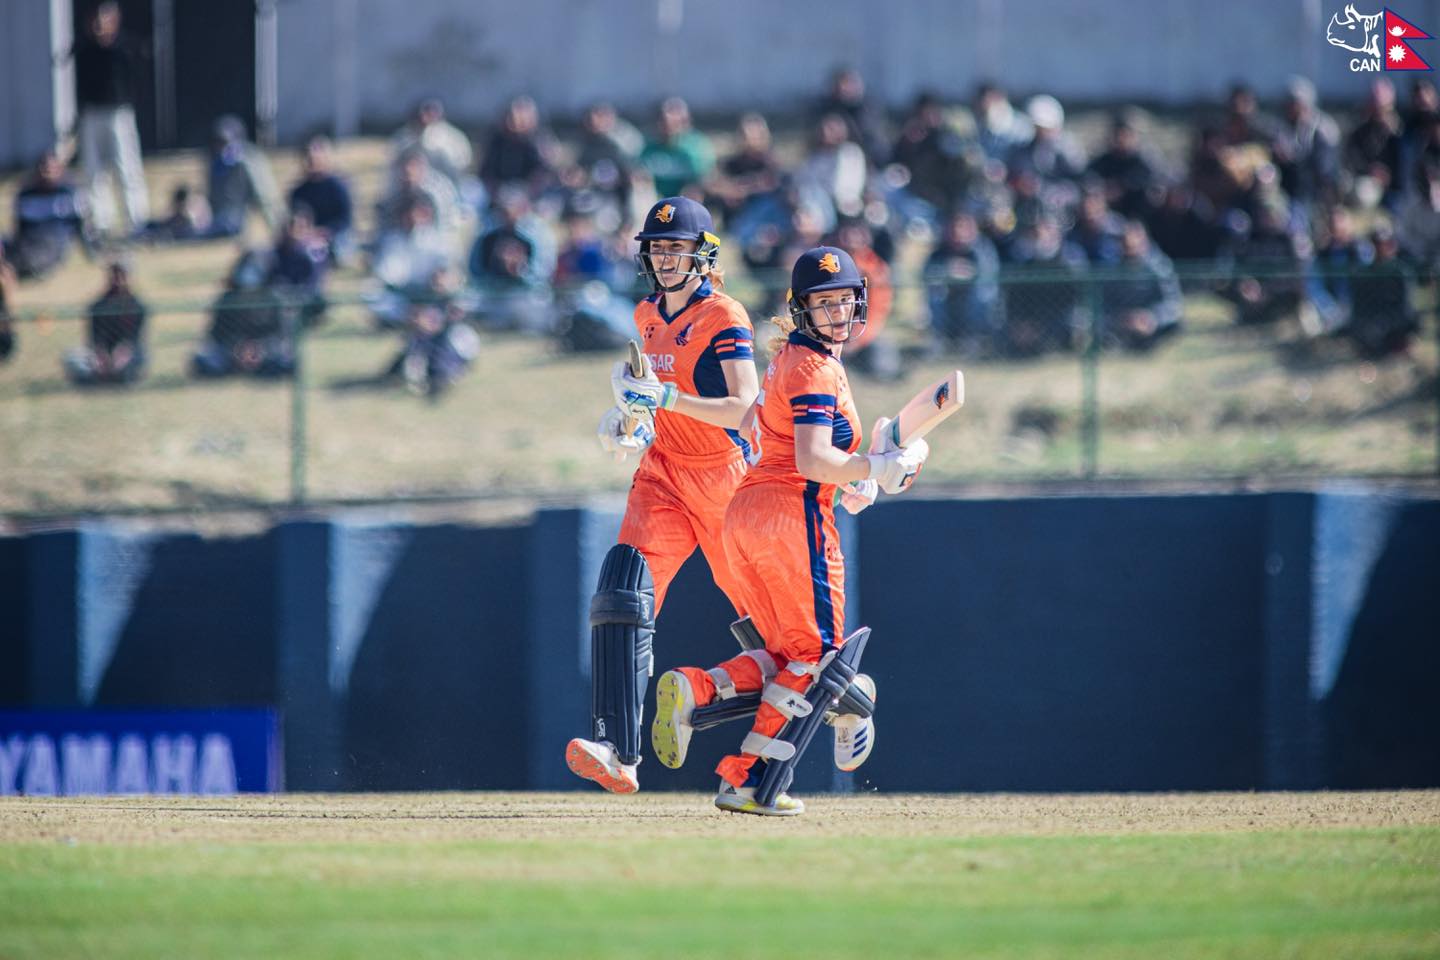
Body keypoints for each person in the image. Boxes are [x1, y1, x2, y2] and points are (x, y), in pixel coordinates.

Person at [649, 246, 930, 816]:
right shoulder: (815, 367)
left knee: (782, 656)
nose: (834, 313)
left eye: (842, 302)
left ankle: (699, 689)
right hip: (789, 516)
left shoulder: (790, 360)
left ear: (860, 304)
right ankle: (749, 780)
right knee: (819, 657)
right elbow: (809, 459)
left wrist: (855, 480)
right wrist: (876, 468)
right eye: (822, 303)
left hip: (748, 511)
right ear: (801, 309)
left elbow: (781, 442)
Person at [564, 197, 759, 795]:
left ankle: (830, 699)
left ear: (702, 255)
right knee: (623, 593)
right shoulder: (646, 312)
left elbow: (745, 408)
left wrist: (664, 402)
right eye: (658, 247)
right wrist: (630, 422)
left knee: (774, 631)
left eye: (677, 248)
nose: (666, 257)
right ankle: (618, 750)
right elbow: (650, 396)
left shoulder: (725, 315)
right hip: (662, 472)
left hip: (725, 479)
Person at [73, 1, 149, 237]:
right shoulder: (84, 49)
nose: (99, 25)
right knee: (94, 170)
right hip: (92, 114)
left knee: (126, 167)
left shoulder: (125, 47)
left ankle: (136, 219)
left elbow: (136, 78)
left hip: (118, 113)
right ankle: (100, 222)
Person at [63, 261, 146, 385]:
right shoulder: (98, 306)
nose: (117, 280)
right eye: (114, 275)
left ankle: (120, 378)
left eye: (121, 275)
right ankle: (96, 378)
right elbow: (94, 339)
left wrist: (121, 355)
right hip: (101, 354)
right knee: (72, 357)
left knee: (141, 356)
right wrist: (101, 356)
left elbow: (133, 340)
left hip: (128, 353)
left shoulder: (136, 306)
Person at [10, 150, 87, 279]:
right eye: (43, 167)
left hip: (52, 244)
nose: (46, 172)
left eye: (50, 168)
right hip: (27, 242)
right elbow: (19, 229)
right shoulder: (26, 195)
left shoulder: (68, 193)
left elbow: (79, 227)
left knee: (33, 257)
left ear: (59, 170)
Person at [207, 116, 281, 238]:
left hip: (255, 206)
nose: (220, 147)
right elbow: (215, 196)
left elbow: (264, 195)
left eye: (223, 142)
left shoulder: (251, 159)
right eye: (217, 142)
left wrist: (275, 225)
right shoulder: (216, 163)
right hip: (230, 217)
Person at [288, 136, 354, 265]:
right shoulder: (298, 192)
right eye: (308, 157)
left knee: (338, 248)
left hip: (334, 237)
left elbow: (345, 220)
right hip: (307, 237)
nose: (311, 161)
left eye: (315, 157)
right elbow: (294, 220)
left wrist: (324, 232)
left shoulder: (338, 187)